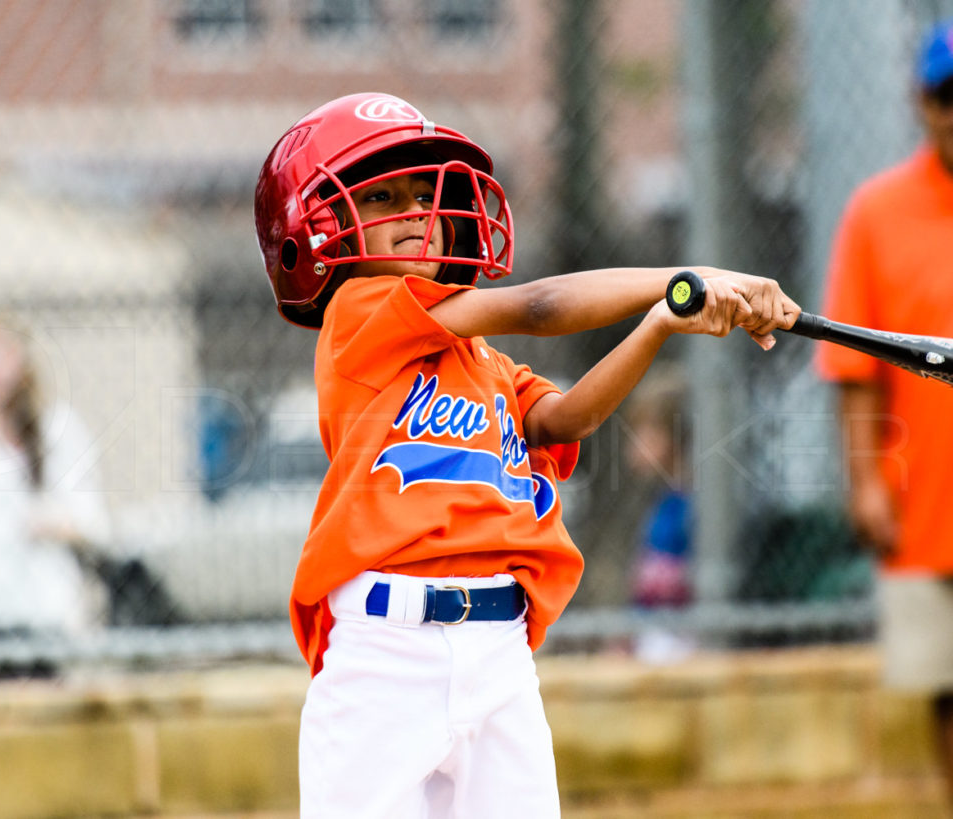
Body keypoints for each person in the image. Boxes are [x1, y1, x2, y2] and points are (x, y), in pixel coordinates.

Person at [254, 92, 799, 817]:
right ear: (315, 230)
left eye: (422, 192)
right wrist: (686, 279)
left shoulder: (480, 359)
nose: (415, 210)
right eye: (383, 194)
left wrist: (663, 322)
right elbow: (538, 305)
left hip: (498, 651)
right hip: (386, 652)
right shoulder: (360, 317)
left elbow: (567, 417)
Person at [816, 20, 953, 805]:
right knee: (948, 686)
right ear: (920, 103)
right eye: (946, 95)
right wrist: (866, 481)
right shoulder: (879, 211)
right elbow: (852, 367)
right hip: (930, 498)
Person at [0, 316, 111, 676]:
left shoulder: (55, 428)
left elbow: (94, 522)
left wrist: (49, 521)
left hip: (40, 613)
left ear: (19, 361)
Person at [622, 369, 696, 663]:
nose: (633, 448)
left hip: (683, 639)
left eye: (645, 433)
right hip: (654, 632)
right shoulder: (662, 501)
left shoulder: (693, 505)